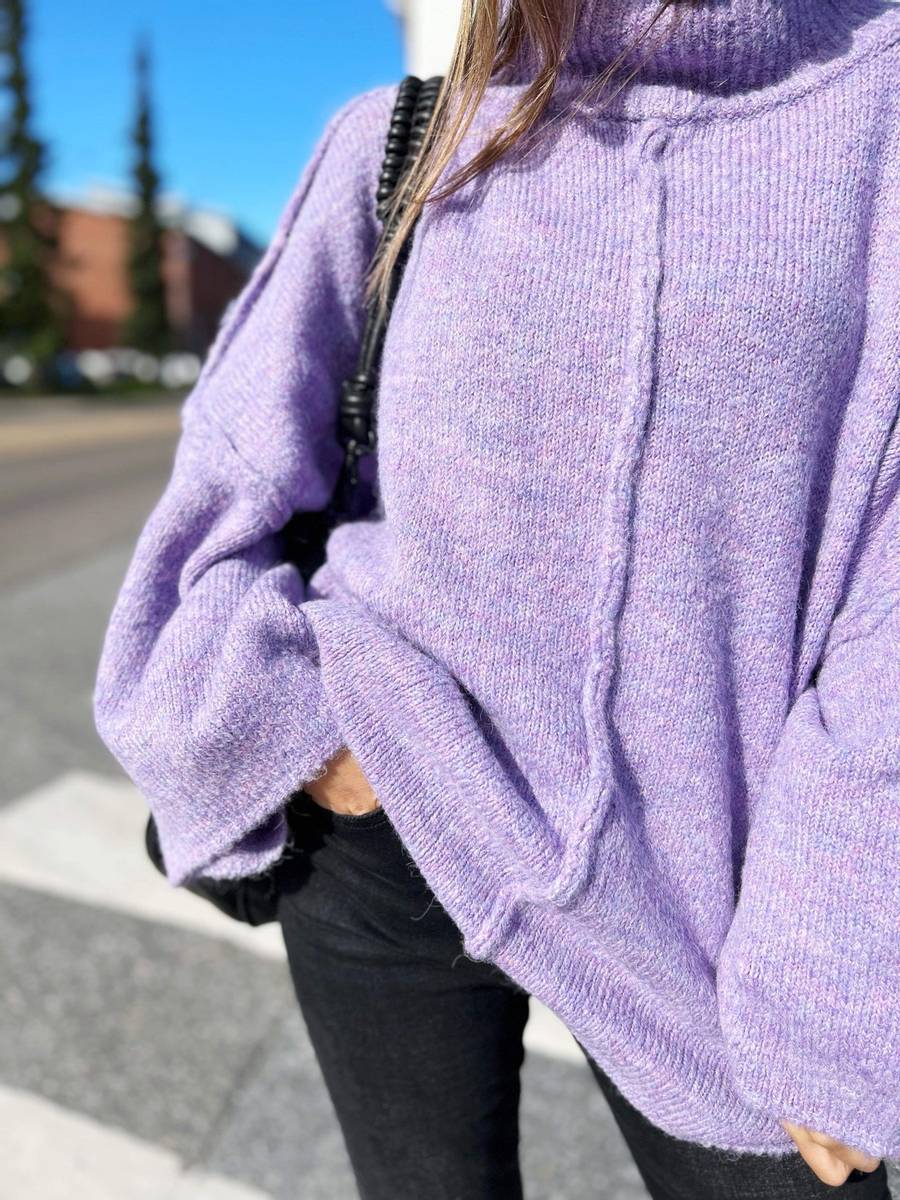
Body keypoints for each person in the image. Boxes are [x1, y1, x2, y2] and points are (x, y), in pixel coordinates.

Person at [93, 1, 900, 1196]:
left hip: (728, 915)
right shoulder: (405, 136)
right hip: (386, 816)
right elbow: (227, 476)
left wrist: (841, 945)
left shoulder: (879, 125)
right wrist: (306, 730)